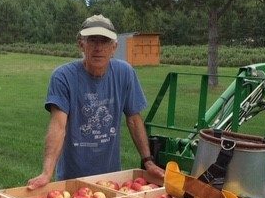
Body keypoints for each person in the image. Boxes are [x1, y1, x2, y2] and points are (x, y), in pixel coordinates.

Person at [27, 14, 164, 189]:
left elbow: (134, 119)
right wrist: (47, 173)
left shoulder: (125, 73)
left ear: (114, 46)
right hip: (72, 180)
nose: (98, 47)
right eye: (92, 40)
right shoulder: (63, 77)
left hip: (111, 179)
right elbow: (58, 126)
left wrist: (148, 161)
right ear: (81, 44)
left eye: (104, 41)